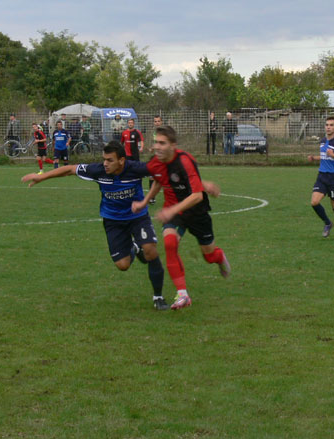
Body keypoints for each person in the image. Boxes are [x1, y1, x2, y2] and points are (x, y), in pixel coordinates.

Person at [21, 142, 168, 310]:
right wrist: (41, 177)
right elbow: (70, 169)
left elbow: (160, 173)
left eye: (110, 160)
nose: (105, 163)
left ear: (121, 160)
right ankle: (134, 247)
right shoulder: (98, 170)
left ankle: (158, 297)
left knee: (150, 249)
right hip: (113, 221)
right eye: (104, 159)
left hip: (137, 217)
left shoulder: (136, 168)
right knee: (123, 265)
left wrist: (146, 200)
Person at [133, 125, 230, 311]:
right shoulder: (156, 162)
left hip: (197, 212)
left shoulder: (185, 160)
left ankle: (219, 257)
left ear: (173, 145)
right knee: (170, 243)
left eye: (162, 143)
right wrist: (144, 201)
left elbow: (197, 195)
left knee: (209, 255)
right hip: (175, 210)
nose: (157, 146)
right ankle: (182, 294)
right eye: (156, 142)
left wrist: (173, 209)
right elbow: (159, 180)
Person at [308, 116, 334, 241]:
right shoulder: (323, 141)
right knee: (314, 202)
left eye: (331, 125)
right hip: (322, 176)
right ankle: (327, 223)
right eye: (327, 125)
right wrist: (314, 158)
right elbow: (324, 156)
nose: (328, 127)